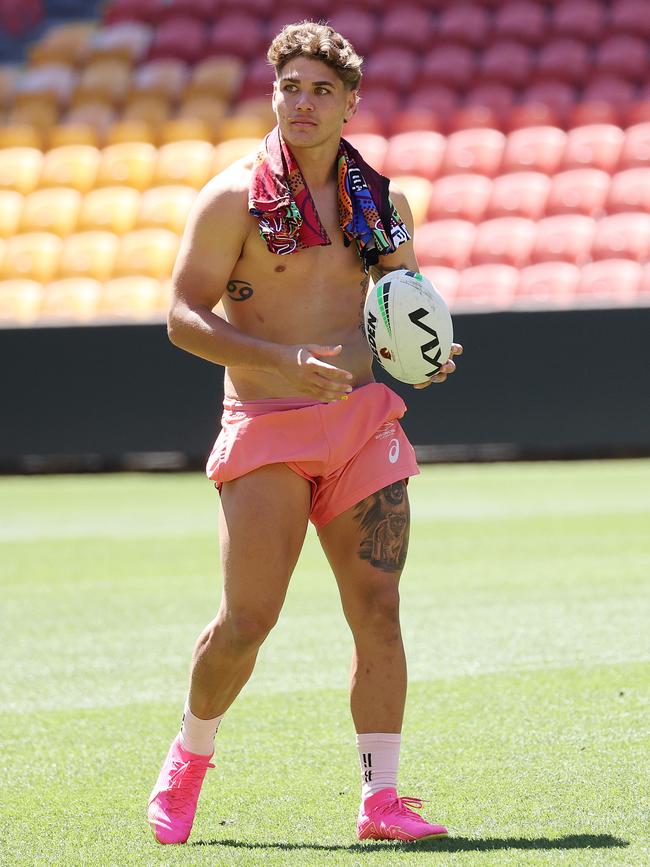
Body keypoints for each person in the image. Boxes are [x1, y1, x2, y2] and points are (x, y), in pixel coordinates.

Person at [147, 21, 463, 845]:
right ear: (273, 95)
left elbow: (402, 305)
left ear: (350, 103)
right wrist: (280, 361)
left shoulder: (383, 203)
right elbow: (182, 317)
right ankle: (189, 755)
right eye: (290, 86)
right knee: (248, 619)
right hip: (265, 422)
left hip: (360, 422)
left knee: (380, 609)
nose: (304, 101)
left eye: (322, 89)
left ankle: (381, 800)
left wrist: (425, 353)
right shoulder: (231, 196)